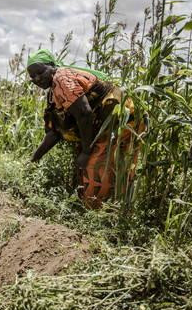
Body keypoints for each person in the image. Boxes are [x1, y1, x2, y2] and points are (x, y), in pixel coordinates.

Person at [27, 49, 145, 209]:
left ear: (52, 66)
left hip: (119, 120)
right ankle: (113, 210)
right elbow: (55, 132)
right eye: (32, 76)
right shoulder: (54, 93)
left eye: (40, 71)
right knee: (106, 170)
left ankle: (100, 216)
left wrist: (86, 151)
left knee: (96, 169)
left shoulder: (62, 79)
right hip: (107, 125)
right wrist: (33, 160)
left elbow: (84, 114)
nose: (37, 78)